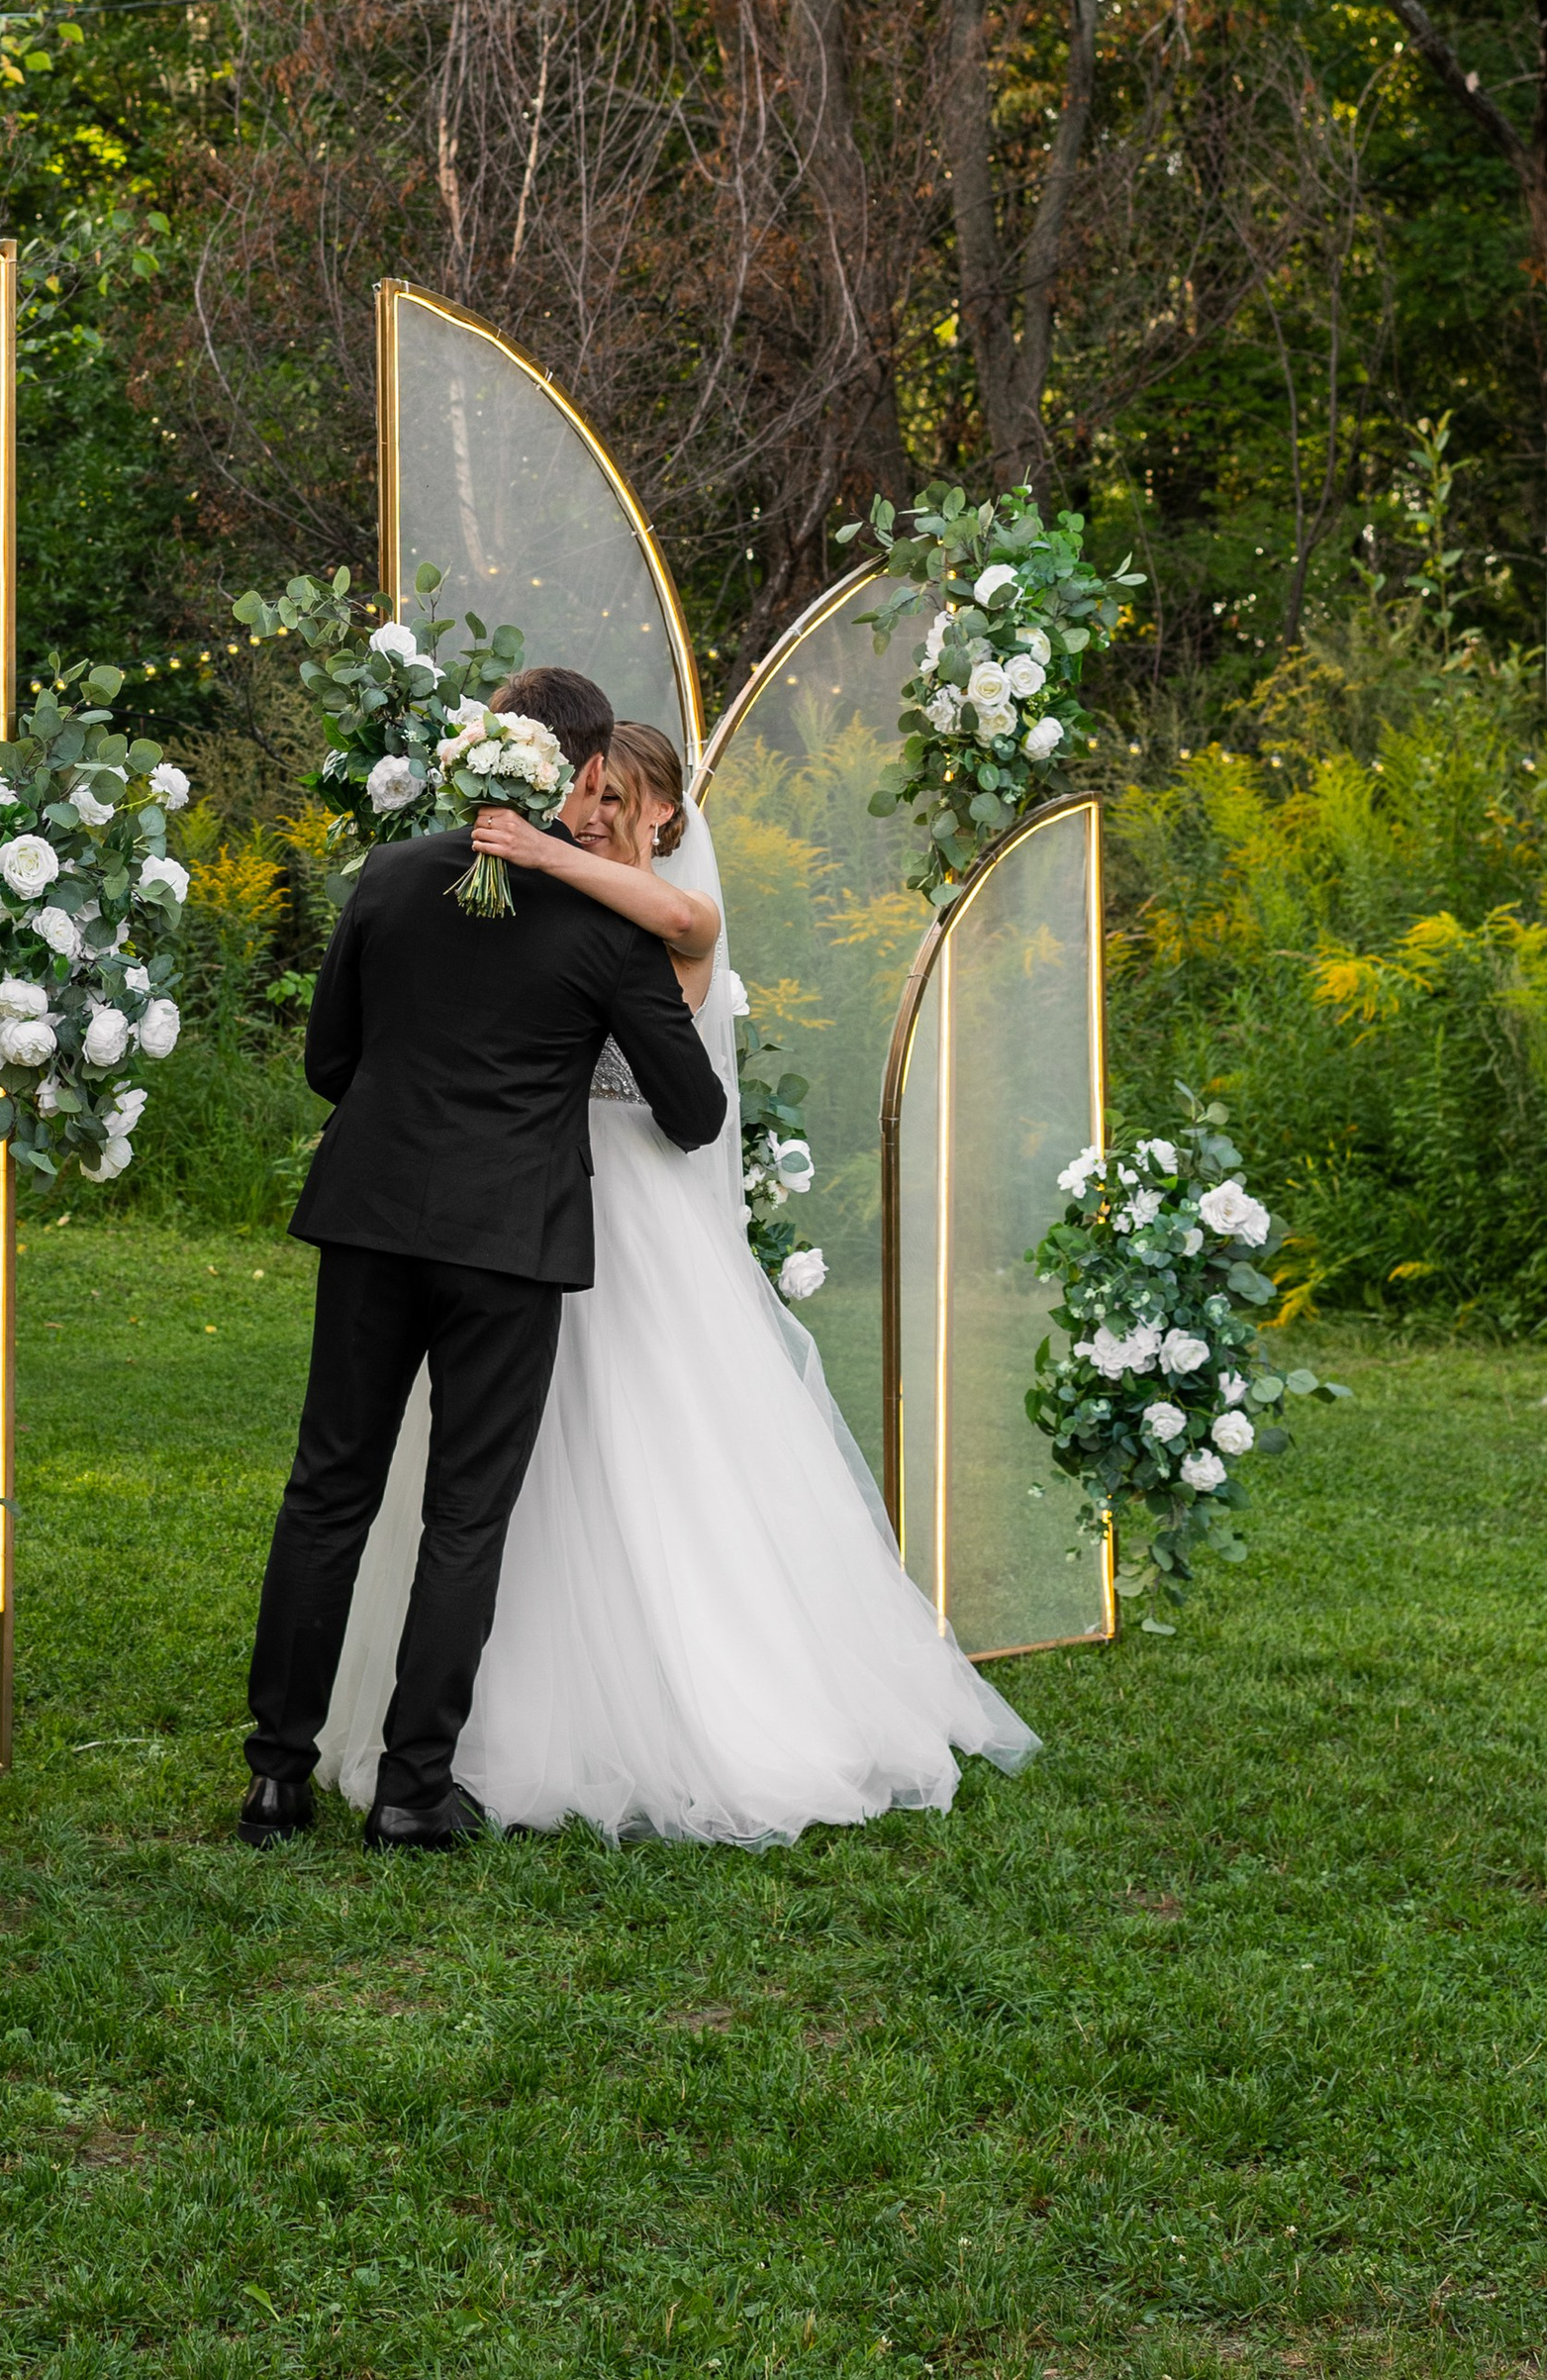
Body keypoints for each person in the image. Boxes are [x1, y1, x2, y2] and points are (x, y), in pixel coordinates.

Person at [315, 719, 1041, 1844]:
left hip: (631, 1211)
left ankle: (673, 1696)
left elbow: (675, 979)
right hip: (519, 1200)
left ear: (664, 811)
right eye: (582, 794)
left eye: (618, 798)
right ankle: (477, 1720)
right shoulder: (541, 904)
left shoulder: (675, 914)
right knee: (492, 1482)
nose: (593, 814)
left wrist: (539, 849)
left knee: (640, 1447)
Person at [239, 667, 725, 1853]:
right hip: (509, 1243)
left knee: (325, 1492)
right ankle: (413, 1789)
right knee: (465, 1514)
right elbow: (694, 1111)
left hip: (370, 1218)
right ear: (584, 771)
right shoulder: (607, 927)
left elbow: (328, 1059)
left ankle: (276, 1778)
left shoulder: (391, 873)